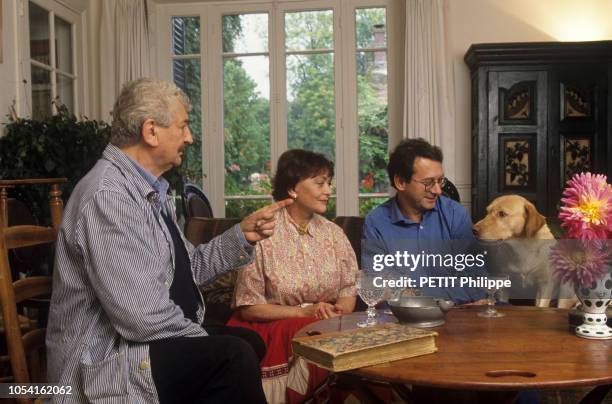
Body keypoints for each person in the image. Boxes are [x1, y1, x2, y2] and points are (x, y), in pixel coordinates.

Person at [46, 78, 292, 403]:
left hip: (143, 343)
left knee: (248, 342)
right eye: (183, 126)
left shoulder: (149, 193)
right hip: (104, 364)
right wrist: (201, 337)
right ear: (151, 131)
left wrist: (241, 235)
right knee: (233, 356)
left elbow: (186, 271)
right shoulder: (109, 197)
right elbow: (142, 318)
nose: (188, 138)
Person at [228, 149, 358, 404]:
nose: (327, 190)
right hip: (274, 326)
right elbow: (248, 308)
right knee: (313, 334)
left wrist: (337, 313)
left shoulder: (334, 233)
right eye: (319, 183)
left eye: (329, 183)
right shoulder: (263, 232)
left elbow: (348, 287)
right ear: (292, 189)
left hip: (324, 322)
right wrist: (305, 314)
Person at [363, 138, 486, 304]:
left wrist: (413, 292)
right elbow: (379, 288)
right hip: (401, 323)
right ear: (400, 182)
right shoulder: (376, 223)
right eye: (428, 183)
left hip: (456, 318)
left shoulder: (455, 215)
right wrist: (451, 291)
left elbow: (477, 282)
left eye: (440, 181)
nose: (437, 190)